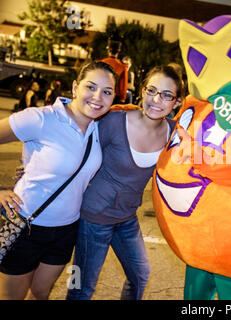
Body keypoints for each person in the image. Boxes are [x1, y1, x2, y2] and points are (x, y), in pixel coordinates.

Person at [0, 61, 116, 300]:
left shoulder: (98, 129)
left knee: (41, 293)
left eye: (107, 91)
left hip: (66, 229)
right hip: (25, 224)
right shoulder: (41, 119)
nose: (98, 97)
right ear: (75, 87)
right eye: (91, 87)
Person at [66, 65, 184, 300]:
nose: (156, 100)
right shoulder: (113, 122)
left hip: (127, 219)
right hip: (93, 220)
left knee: (140, 276)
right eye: (151, 90)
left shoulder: (174, 133)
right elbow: (73, 144)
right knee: (82, 288)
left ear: (177, 102)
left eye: (166, 95)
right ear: (142, 90)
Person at [101, 39, 128, 104]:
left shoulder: (101, 63)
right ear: (118, 51)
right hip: (114, 98)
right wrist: (123, 98)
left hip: (101, 94)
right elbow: (123, 85)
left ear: (108, 50)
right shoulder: (122, 66)